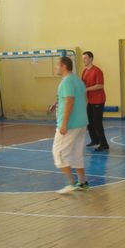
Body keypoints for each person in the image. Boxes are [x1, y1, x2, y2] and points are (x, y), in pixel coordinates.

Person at [49, 56, 89, 194]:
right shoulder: (78, 80)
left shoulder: (66, 81)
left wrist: (64, 123)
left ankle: (70, 184)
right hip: (81, 123)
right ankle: (82, 182)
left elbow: (70, 101)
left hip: (70, 125)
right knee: (76, 153)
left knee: (58, 153)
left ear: (64, 66)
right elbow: (85, 100)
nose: (55, 68)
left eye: (57, 65)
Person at [81, 51, 109, 152]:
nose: (83, 60)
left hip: (98, 100)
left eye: (85, 58)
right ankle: (95, 140)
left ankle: (104, 144)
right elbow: (82, 84)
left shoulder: (97, 71)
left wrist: (86, 89)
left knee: (97, 123)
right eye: (83, 58)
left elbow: (100, 85)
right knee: (89, 122)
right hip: (90, 101)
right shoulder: (84, 71)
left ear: (91, 59)